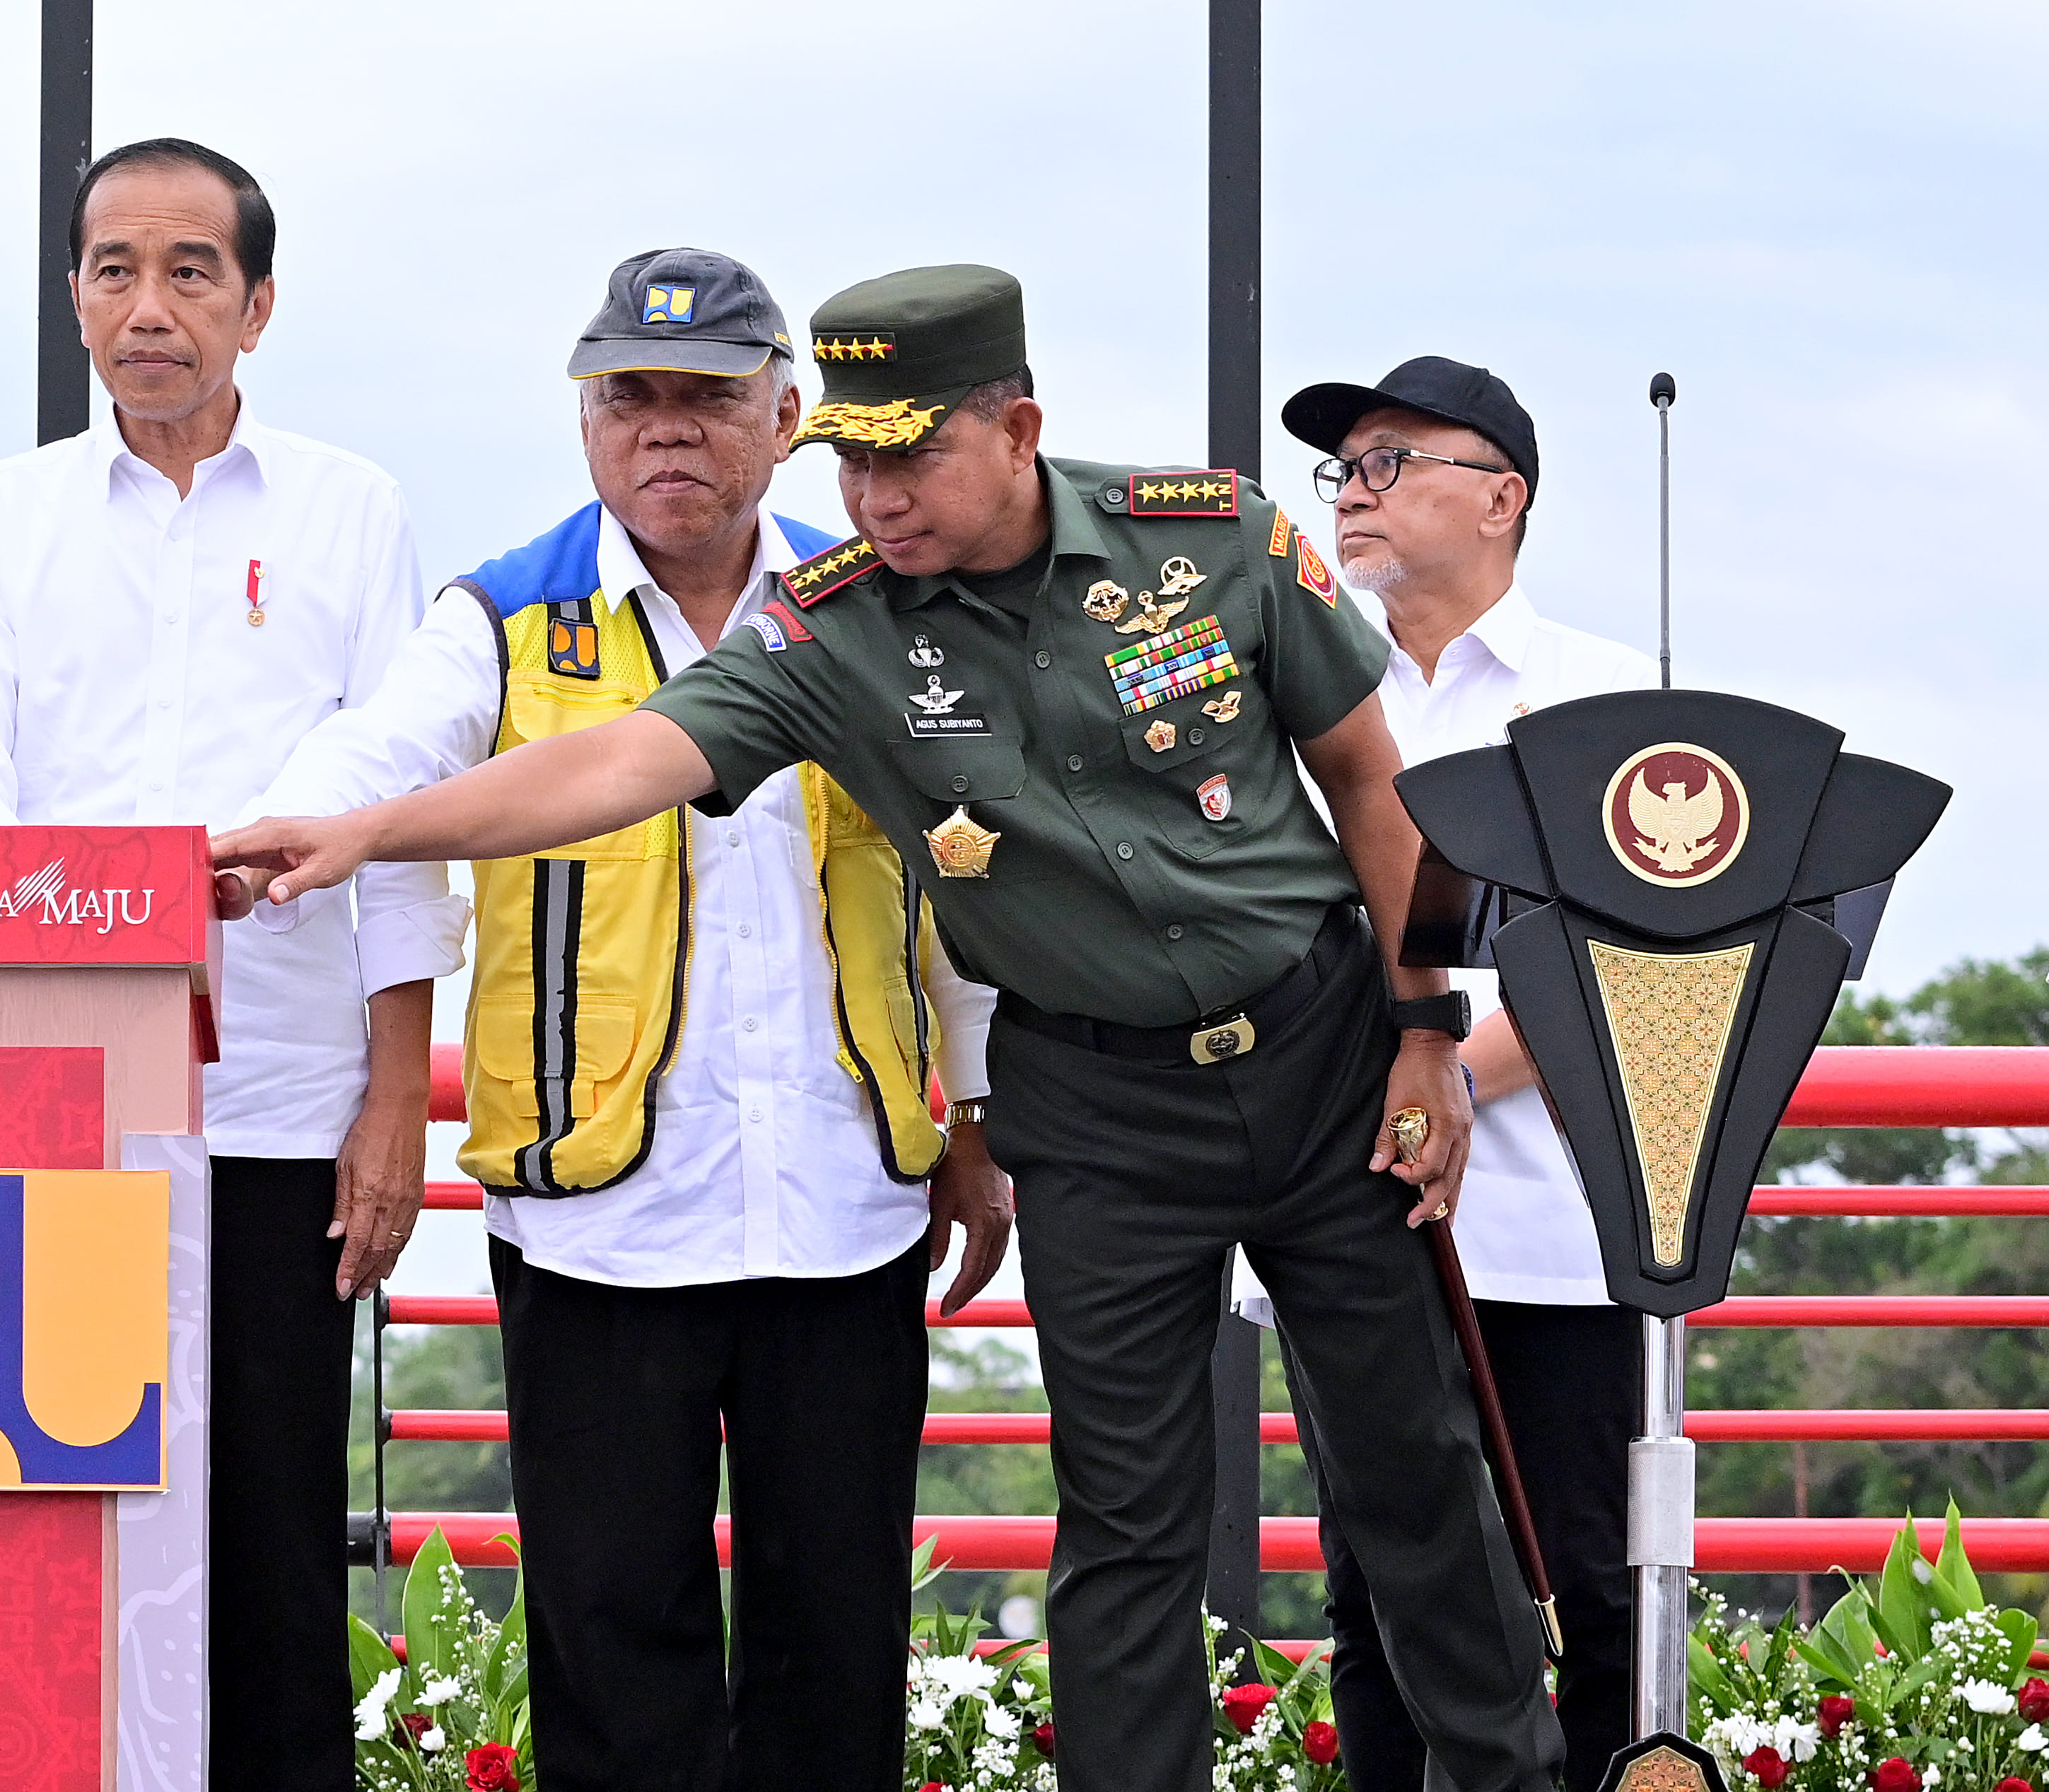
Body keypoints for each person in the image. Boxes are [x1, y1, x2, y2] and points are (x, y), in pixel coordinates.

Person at [218, 266, 1565, 1792]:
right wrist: (370, 827)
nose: (877, 494)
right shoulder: (832, 626)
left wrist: (1425, 1030)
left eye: (910, 453)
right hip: (1101, 1107)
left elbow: (1380, 784)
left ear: (1019, 426)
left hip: (1327, 1055)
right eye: (853, 460)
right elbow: (618, 765)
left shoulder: (1218, 534)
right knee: (1128, 1523)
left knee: (1415, 1481)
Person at [243, 248, 1008, 1792]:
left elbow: (970, 883)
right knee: (610, 1649)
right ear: (587, 423)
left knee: (836, 1650)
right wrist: (263, 833)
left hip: (843, 1208)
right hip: (600, 1227)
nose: (667, 432)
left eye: (708, 398)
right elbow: (374, 755)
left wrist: (979, 1124)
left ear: (788, 414)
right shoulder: (508, 617)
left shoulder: (874, 609)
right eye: (630, 399)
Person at [0, 136, 440, 1792]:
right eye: (114, 269)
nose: (150, 307)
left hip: (282, 1114)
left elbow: (406, 823)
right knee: (48, 1564)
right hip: (45, 1123)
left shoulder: (357, 512)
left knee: (275, 1559)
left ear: (257, 305)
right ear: (74, 295)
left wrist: (395, 1106)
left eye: (189, 271)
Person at [1283, 355, 1652, 1792]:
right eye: (1344, 469)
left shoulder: (1605, 693)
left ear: (1499, 496)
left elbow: (1630, 961)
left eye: (1391, 461)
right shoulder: (1306, 696)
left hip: (1552, 1228)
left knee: (1590, 1591)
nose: (1356, 492)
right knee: (1376, 1598)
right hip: (1346, 1223)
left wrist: (1446, 1082)